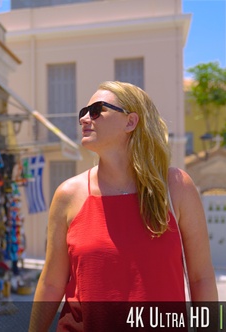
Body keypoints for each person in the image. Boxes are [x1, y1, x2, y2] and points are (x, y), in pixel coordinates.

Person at [29, 81, 218, 331]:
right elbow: (52, 283)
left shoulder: (176, 187)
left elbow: (201, 278)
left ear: (130, 122)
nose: (85, 118)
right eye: (83, 112)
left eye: (97, 110)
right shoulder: (68, 194)